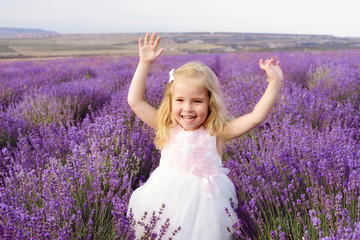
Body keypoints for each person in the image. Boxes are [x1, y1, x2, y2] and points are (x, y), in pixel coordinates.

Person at [127, 33, 283, 239]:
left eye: (197, 101)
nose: (187, 108)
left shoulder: (216, 133)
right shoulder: (166, 126)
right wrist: (144, 63)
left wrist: (275, 83)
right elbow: (135, 102)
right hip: (164, 197)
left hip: (207, 205)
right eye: (180, 100)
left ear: (210, 102)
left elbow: (256, 117)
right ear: (170, 101)